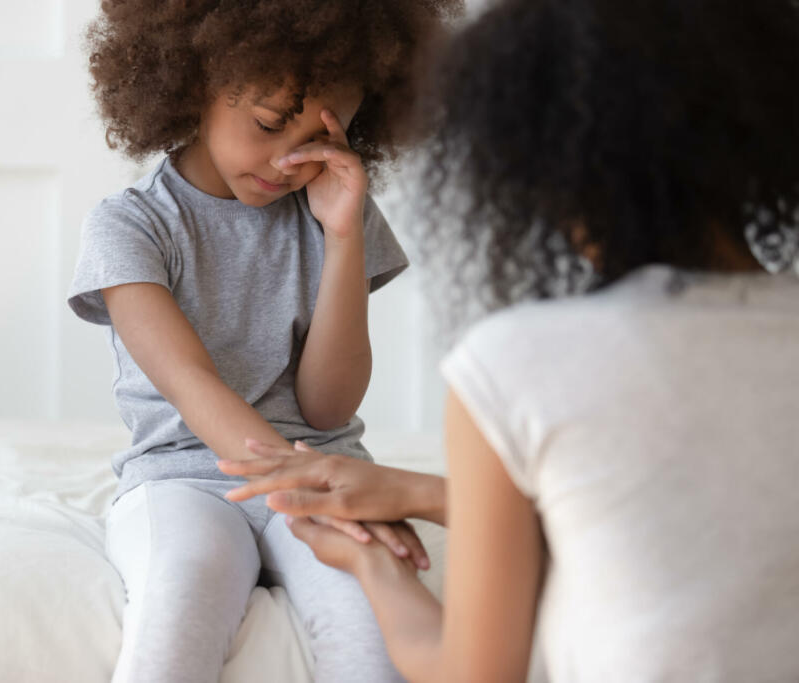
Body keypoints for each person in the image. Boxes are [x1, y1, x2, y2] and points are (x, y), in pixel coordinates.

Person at [223, 0, 799, 681]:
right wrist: (416, 491)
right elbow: (688, 511)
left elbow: (474, 672)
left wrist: (372, 563)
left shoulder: (519, 363)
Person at [66, 2, 456, 681]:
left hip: (321, 463)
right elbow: (192, 384)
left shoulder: (335, 210)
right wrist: (301, 480)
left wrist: (342, 237)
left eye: (321, 139)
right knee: (175, 614)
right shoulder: (130, 228)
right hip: (183, 477)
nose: (289, 160)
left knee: (374, 641)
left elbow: (328, 408)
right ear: (193, 82)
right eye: (272, 123)